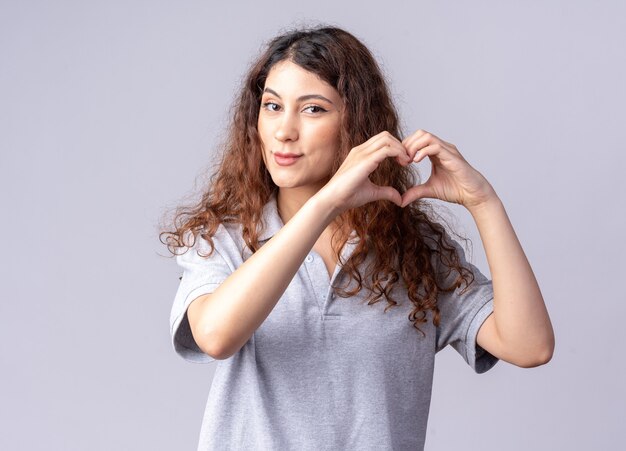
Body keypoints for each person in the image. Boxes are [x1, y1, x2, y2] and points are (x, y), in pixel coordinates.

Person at [160, 25, 554, 451]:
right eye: (272, 106)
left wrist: (485, 203)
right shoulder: (225, 235)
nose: (283, 131)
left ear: (355, 122)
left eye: (313, 109)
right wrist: (326, 204)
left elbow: (529, 345)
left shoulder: (414, 248)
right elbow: (215, 336)